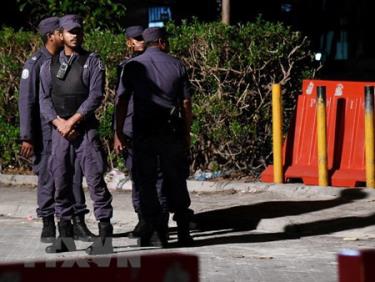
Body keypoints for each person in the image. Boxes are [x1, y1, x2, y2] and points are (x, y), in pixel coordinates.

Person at [39, 14, 113, 254]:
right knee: (60, 182)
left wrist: (72, 121)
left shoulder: (92, 61)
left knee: (95, 183)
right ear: (60, 34)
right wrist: (59, 123)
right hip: (60, 132)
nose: (75, 35)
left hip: (84, 131)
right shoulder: (48, 65)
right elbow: (44, 99)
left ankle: (104, 241)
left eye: (79, 31)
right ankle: (65, 236)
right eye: (71, 31)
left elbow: (95, 96)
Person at [18, 16, 94, 244]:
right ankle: (48, 223)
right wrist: (27, 136)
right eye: (60, 32)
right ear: (52, 36)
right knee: (48, 178)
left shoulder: (70, 59)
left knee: (74, 175)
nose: (65, 35)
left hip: (70, 130)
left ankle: (77, 223)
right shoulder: (35, 63)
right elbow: (28, 102)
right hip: (45, 133)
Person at [115, 27, 193, 247]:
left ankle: (158, 233)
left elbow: (121, 102)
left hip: (142, 132)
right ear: (161, 42)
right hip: (170, 133)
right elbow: (186, 104)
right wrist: (186, 133)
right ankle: (184, 231)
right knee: (175, 179)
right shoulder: (177, 64)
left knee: (148, 181)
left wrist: (118, 132)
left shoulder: (131, 67)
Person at [113, 25, 169, 240]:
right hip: (130, 127)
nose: (141, 41)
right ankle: (143, 219)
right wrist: (116, 133)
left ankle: (159, 220)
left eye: (142, 38)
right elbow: (119, 102)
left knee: (158, 176)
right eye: (136, 39)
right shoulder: (125, 66)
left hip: (152, 126)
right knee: (137, 176)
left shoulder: (154, 63)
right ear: (128, 42)